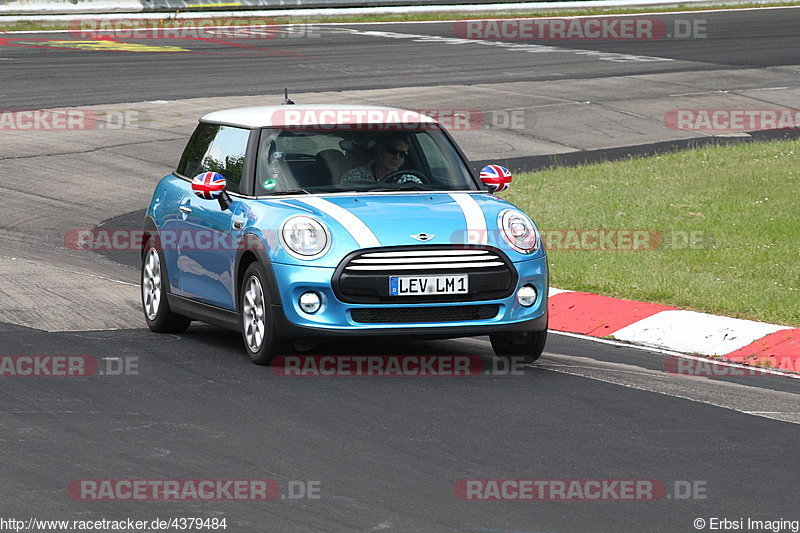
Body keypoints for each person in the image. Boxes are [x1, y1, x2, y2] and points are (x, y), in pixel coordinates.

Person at [341, 134, 421, 184]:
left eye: (402, 154)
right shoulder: (354, 176)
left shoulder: (411, 180)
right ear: (380, 149)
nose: (397, 157)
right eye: (392, 151)